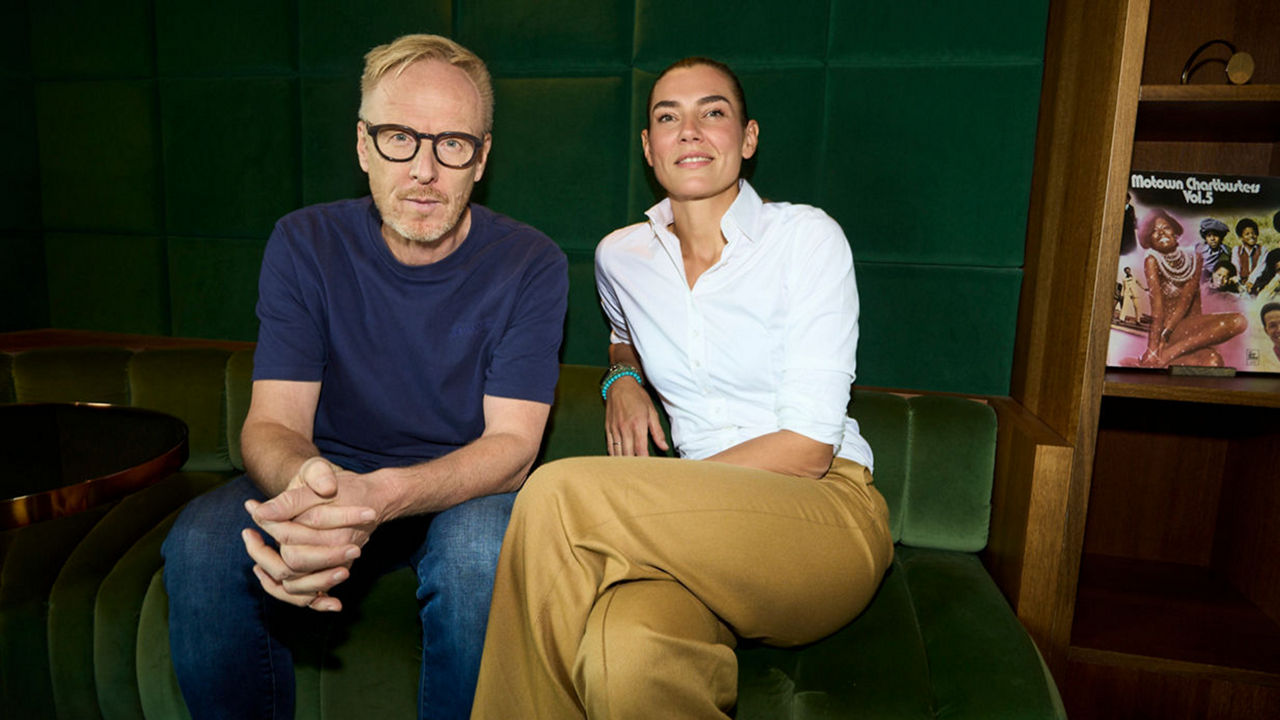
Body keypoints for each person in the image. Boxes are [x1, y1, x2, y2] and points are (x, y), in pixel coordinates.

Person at [160, 34, 568, 720]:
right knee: (202, 542)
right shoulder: (304, 243)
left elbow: (513, 448)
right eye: (398, 138)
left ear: (482, 158)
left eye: (453, 145)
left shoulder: (532, 263)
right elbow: (272, 424)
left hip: (460, 492)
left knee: (478, 555)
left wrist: (378, 498)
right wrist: (315, 489)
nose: (425, 170)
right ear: (361, 147)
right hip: (330, 471)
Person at [470, 57, 892, 719]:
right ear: (649, 147)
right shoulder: (621, 256)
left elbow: (809, 449)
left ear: (747, 138)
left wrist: (656, 500)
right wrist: (622, 377)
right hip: (693, 538)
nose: (690, 130)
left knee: (555, 493)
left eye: (712, 112)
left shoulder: (806, 240)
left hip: (825, 514)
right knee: (624, 657)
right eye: (668, 117)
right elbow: (622, 332)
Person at [1136, 208, 1244, 367]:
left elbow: (1186, 299)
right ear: (1149, 239)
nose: (1161, 233)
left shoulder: (1195, 257)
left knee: (1215, 361)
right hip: (1168, 331)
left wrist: (1170, 334)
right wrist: (1154, 347)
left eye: (1165, 227)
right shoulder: (1152, 260)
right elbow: (1157, 308)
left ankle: (1170, 354)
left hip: (1192, 329)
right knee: (1237, 322)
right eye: (1154, 231)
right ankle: (1164, 355)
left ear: (1174, 231)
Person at [1196, 217, 1230, 281]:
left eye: (1216, 235)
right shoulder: (1199, 249)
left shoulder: (1227, 252)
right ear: (1205, 237)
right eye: (1209, 236)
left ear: (1221, 237)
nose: (1212, 239)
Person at [1234, 217, 1263, 284]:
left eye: (1254, 233)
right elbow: (1236, 268)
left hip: (1257, 283)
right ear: (1241, 237)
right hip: (1241, 284)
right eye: (1247, 234)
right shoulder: (1236, 250)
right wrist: (1239, 283)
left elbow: (1260, 268)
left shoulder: (1262, 250)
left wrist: (1250, 282)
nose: (1251, 236)